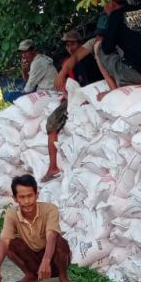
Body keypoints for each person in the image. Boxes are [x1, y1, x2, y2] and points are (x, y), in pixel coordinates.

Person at [0, 174, 79, 282]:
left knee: (59, 240)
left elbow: (51, 235)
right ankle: (31, 276)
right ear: (15, 198)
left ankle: (63, 277)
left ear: (37, 194)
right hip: (33, 258)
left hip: (53, 260)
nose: (26, 201)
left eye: (30, 196)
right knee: (10, 244)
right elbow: (4, 241)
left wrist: (46, 261)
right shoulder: (12, 213)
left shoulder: (50, 209)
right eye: (22, 197)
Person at [42, 29, 106, 182]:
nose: (70, 48)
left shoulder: (85, 61)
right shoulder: (78, 62)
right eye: (67, 45)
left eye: (73, 44)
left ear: (80, 44)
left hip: (89, 97)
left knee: (51, 124)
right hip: (83, 96)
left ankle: (53, 167)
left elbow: (89, 84)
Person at [92, 0, 141, 92]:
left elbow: (107, 48)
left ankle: (113, 90)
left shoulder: (116, 15)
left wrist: (102, 38)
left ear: (111, 3)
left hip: (134, 73)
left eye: (104, 4)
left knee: (99, 47)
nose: (104, 9)